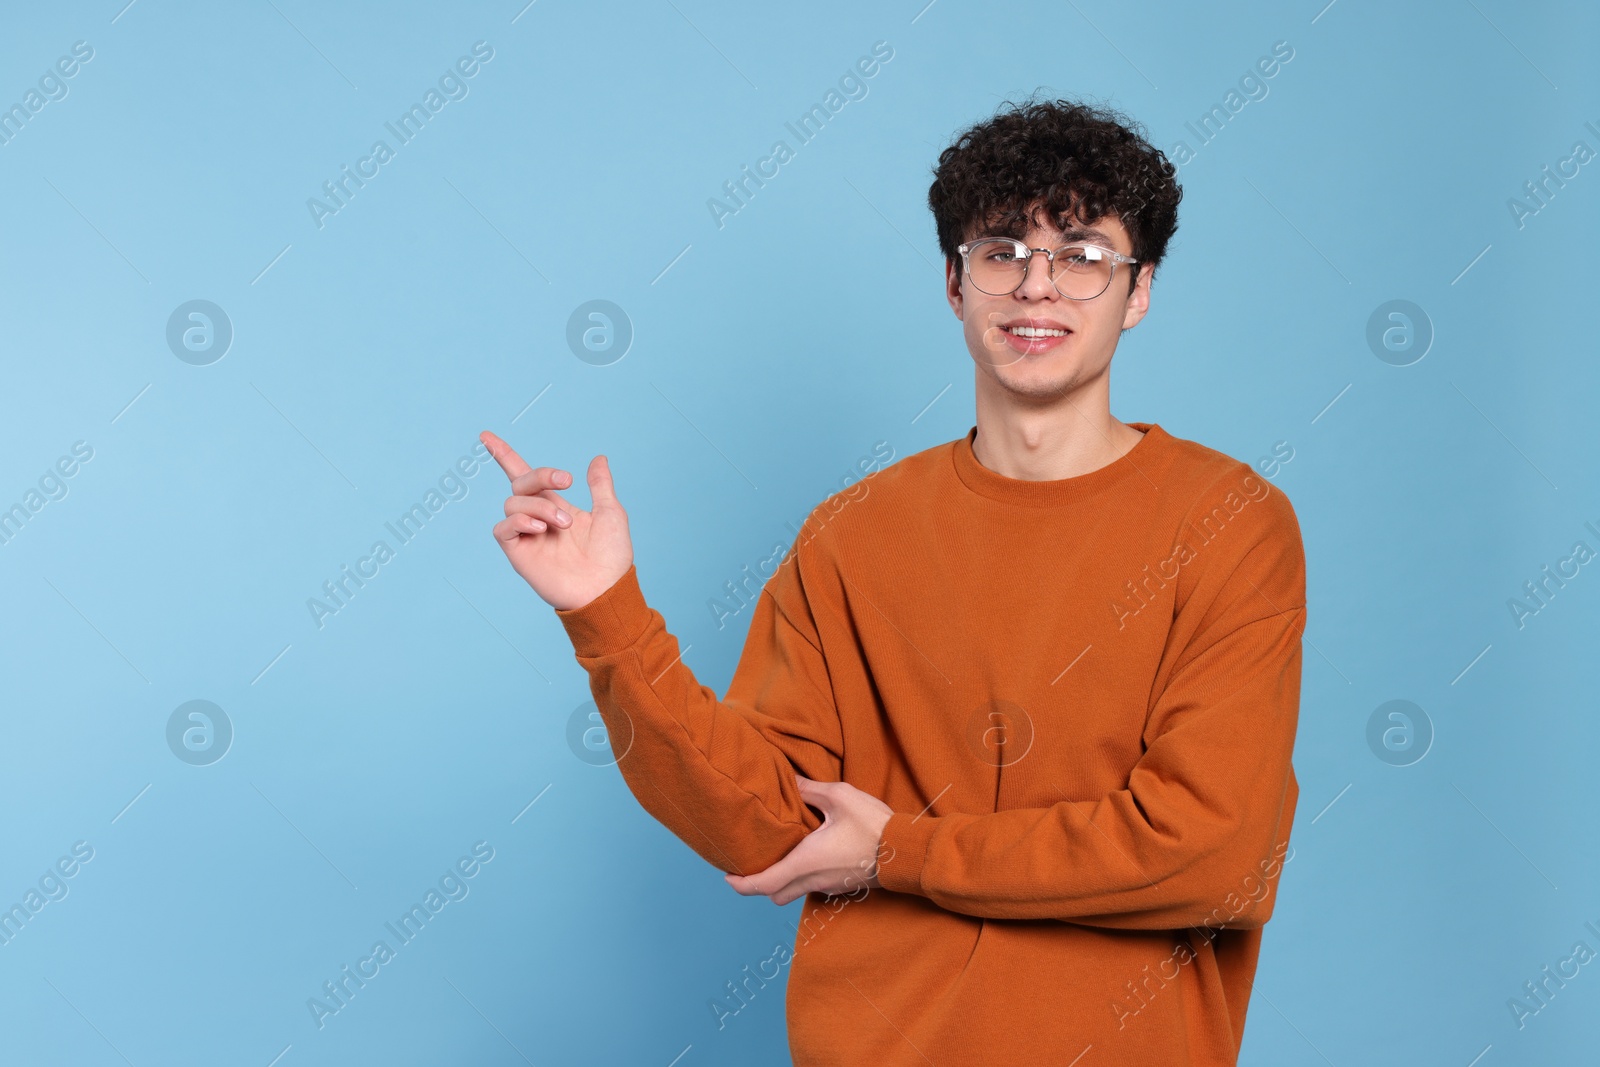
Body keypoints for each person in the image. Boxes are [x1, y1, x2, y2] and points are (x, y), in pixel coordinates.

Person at [481, 97, 1307, 1067]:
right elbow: (763, 826)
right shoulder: (851, 536)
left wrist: (899, 851)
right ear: (955, 284)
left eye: (1082, 255)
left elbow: (1212, 852)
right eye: (1000, 251)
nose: (1035, 286)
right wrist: (604, 613)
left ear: (1139, 292)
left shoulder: (1228, 523)